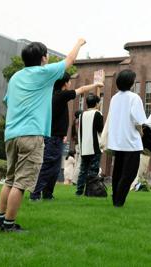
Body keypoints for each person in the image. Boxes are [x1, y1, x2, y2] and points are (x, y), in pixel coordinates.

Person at [0, 39, 85, 232]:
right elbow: (69, 60)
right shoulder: (44, 73)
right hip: (31, 134)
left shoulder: (16, 77)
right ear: (44, 58)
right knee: (21, 181)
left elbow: (8, 102)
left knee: (10, 179)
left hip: (11, 134)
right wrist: (79, 42)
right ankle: (9, 225)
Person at [30, 73, 103, 201]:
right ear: (65, 83)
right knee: (48, 166)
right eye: (69, 82)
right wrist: (96, 84)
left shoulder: (53, 94)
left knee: (54, 168)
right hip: (52, 137)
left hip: (56, 137)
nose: (70, 84)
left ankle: (47, 194)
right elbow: (81, 90)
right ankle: (35, 194)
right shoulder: (60, 94)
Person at [106, 69, 147, 207]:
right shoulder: (134, 98)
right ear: (131, 82)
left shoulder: (114, 98)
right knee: (129, 174)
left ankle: (115, 199)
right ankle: (119, 201)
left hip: (117, 141)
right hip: (131, 142)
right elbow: (140, 121)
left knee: (117, 171)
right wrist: (143, 134)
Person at [75, 93, 104, 196]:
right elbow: (101, 130)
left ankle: (79, 191)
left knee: (83, 170)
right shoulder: (98, 114)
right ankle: (90, 191)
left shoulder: (81, 114)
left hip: (84, 147)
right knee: (93, 170)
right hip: (95, 147)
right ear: (96, 103)